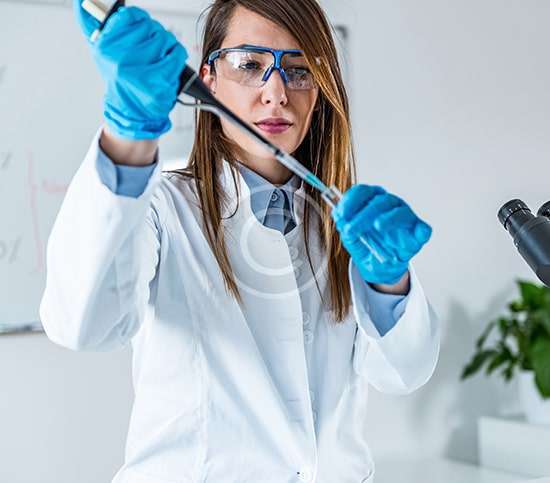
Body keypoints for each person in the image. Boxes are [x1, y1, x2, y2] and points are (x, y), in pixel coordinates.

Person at [40, 1, 440, 481]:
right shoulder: (162, 207)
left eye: (299, 70)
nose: (276, 93)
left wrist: (390, 284)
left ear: (320, 90)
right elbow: (83, 325)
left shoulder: (346, 224)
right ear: (208, 79)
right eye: (249, 65)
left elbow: (403, 372)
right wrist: (126, 134)